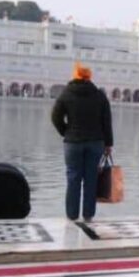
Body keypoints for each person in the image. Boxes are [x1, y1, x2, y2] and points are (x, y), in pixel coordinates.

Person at [51, 62, 113, 221]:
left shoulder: (66, 93)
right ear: (89, 77)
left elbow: (55, 117)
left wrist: (66, 132)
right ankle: (88, 215)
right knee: (91, 179)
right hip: (95, 143)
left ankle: (72, 216)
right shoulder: (99, 95)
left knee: (73, 179)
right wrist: (108, 144)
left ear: (75, 75)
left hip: (73, 143)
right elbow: (107, 121)